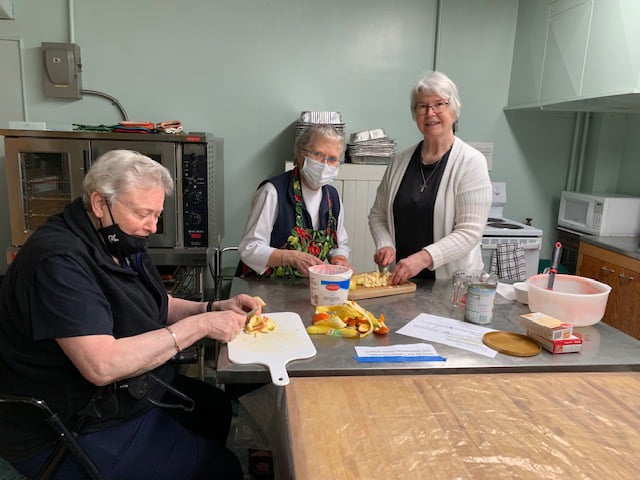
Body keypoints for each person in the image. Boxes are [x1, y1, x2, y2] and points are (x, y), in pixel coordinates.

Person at [0, 150, 262, 479]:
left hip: (123, 393)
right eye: (143, 213)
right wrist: (200, 326)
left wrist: (211, 308)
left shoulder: (118, 242)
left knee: (216, 408)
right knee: (220, 470)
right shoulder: (58, 261)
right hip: (72, 420)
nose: (151, 226)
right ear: (99, 204)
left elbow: (154, 303)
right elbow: (102, 365)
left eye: (157, 215)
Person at [368, 70, 492, 284]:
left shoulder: (471, 162)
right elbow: (377, 215)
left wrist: (423, 258)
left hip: (452, 286)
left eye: (439, 104)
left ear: (454, 109)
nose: (430, 112)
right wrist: (385, 244)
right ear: (414, 113)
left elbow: (469, 233)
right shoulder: (399, 162)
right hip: (402, 281)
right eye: (422, 106)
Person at [238, 124, 351, 277]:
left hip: (305, 290)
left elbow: (339, 243)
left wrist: (339, 258)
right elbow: (249, 248)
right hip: (263, 288)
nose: (324, 164)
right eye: (317, 154)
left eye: (332, 159)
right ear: (299, 153)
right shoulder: (273, 191)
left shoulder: (333, 197)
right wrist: (290, 257)